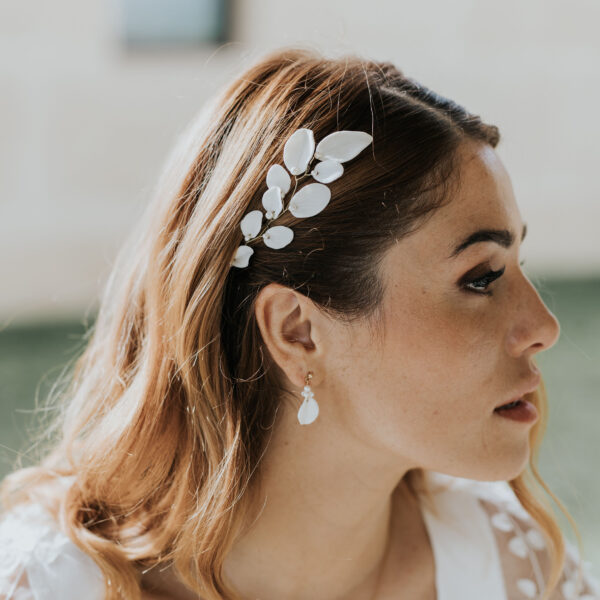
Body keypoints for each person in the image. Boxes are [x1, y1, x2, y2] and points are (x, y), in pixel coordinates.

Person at [0, 46, 598, 600]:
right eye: (481, 278)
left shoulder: (518, 570)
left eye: (518, 265)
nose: (544, 325)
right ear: (297, 331)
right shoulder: (53, 584)